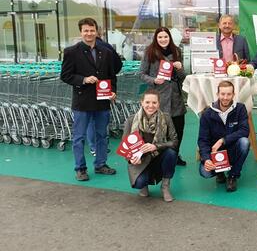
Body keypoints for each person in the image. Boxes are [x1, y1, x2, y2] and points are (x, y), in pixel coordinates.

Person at [60, 17, 119, 181]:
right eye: (86, 30)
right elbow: (65, 76)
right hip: (82, 101)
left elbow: (111, 76)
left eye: (92, 30)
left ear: (96, 32)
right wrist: (84, 80)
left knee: (102, 135)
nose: (89, 33)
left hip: (102, 100)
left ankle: (100, 164)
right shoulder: (71, 52)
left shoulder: (105, 52)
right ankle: (80, 168)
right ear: (81, 32)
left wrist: (113, 91)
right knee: (79, 137)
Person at [140, 27, 188, 166]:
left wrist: (179, 68)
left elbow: (182, 77)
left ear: (169, 38)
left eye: (165, 37)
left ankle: (175, 154)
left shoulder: (177, 51)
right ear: (156, 38)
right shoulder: (149, 52)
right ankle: (160, 157)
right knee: (160, 129)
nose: (163, 40)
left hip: (175, 96)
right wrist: (154, 80)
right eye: (160, 37)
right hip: (158, 97)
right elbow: (141, 74)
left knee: (178, 128)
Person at [124, 89, 178, 202]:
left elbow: (174, 141)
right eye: (147, 102)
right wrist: (131, 159)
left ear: (159, 103)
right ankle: (144, 185)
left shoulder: (166, 118)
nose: (150, 106)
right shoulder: (131, 120)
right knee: (139, 183)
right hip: (142, 160)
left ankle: (165, 187)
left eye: (154, 102)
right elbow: (125, 146)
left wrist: (156, 146)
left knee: (172, 153)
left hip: (159, 157)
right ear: (142, 102)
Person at [197, 80, 250, 192]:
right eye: (222, 94)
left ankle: (232, 176)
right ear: (217, 94)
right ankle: (219, 173)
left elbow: (244, 130)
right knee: (205, 173)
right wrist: (206, 159)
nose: (225, 97)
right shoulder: (207, 113)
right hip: (215, 154)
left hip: (232, 150)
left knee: (244, 142)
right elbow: (203, 140)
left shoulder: (240, 108)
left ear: (233, 95)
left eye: (229, 94)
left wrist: (223, 140)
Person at [87, 32, 122, 156]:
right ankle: (102, 145)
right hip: (104, 86)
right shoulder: (107, 47)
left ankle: (94, 147)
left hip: (89, 89)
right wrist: (109, 74)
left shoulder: (83, 49)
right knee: (102, 118)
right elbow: (118, 64)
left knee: (91, 120)